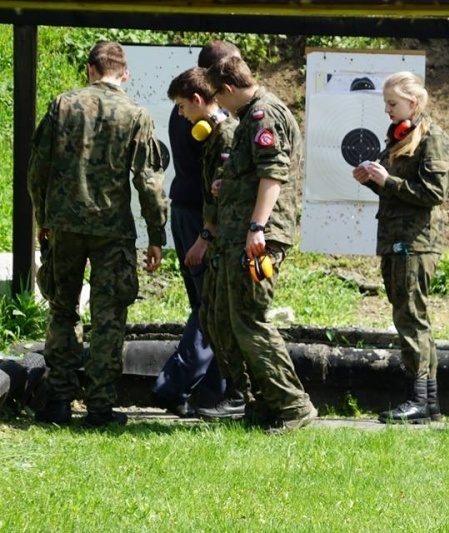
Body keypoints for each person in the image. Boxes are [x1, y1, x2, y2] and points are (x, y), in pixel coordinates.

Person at [27, 41, 169, 428]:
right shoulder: (136, 114)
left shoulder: (62, 105)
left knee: (62, 309)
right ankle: (100, 408)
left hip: (65, 227)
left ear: (90, 69)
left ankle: (57, 401)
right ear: (124, 74)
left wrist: (44, 214)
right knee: (108, 318)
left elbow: (38, 165)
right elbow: (149, 181)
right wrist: (157, 233)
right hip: (112, 232)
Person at [202, 55, 317, 432]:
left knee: (250, 320)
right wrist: (229, 186)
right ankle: (267, 404)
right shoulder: (255, 112)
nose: (220, 107)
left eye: (218, 99)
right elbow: (255, 174)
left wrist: (257, 226)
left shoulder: (261, 115)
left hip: (256, 238)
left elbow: (273, 174)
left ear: (228, 89)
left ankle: (293, 405)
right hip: (245, 234)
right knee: (237, 320)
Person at [352, 71, 449, 424]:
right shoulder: (401, 137)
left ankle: (421, 399)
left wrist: (388, 180)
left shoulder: (432, 138)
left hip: (416, 243)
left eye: (392, 103)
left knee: (412, 319)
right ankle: (427, 401)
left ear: (413, 103)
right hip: (396, 241)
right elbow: (397, 193)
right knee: (405, 317)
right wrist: (374, 182)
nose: (387, 110)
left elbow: (433, 194)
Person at [151, 41, 245, 418]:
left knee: (204, 303)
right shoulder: (208, 119)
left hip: (186, 210)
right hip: (202, 216)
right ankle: (176, 384)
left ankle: (210, 391)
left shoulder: (187, 112)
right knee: (209, 304)